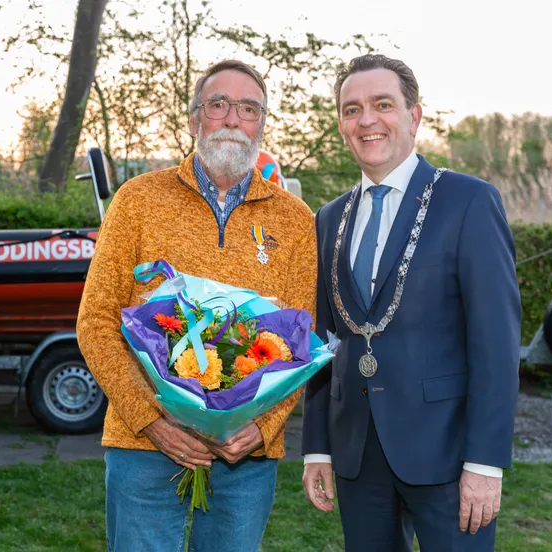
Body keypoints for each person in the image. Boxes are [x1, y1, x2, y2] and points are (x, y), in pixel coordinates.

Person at [77, 59, 317, 552]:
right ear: (193, 120)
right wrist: (152, 421)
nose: (233, 118)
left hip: (245, 456)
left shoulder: (295, 220)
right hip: (144, 448)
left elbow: (302, 339)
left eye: (248, 108)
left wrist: (263, 426)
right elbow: (96, 320)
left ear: (262, 125)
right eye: (218, 105)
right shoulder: (137, 200)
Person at [301, 54, 521, 551]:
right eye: (351, 109)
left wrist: (485, 463)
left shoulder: (468, 202)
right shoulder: (329, 219)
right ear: (341, 123)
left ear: (414, 115)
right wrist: (317, 448)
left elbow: (496, 344)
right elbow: (321, 344)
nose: (367, 120)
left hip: (448, 456)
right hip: (356, 455)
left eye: (383, 104)